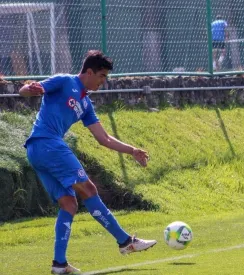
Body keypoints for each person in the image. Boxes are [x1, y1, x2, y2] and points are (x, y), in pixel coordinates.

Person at [19, 50, 157, 274]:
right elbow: (28, 90)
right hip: (47, 143)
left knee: (69, 204)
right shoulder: (65, 81)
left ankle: (59, 265)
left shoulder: (86, 104)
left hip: (39, 150)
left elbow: (104, 138)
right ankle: (125, 242)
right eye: (102, 76)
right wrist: (28, 89)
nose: (104, 81)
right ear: (89, 72)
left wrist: (132, 150)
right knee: (89, 189)